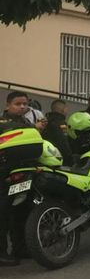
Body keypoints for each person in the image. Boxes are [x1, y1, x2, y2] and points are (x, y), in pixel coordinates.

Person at [0, 91, 36, 267]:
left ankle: (20, 248)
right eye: (18, 103)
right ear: (8, 105)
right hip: (5, 174)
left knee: (22, 210)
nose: (22, 106)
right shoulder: (2, 123)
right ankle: (1, 253)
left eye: (25, 103)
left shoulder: (27, 122)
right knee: (3, 213)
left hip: (24, 172)